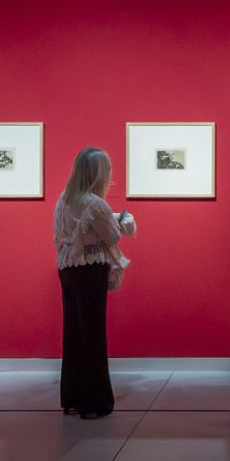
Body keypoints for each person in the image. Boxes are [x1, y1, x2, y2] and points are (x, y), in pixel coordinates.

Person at [54, 147, 137, 420]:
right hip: (91, 270)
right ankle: (94, 401)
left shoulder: (64, 199)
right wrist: (124, 222)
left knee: (74, 332)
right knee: (93, 334)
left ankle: (73, 397)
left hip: (67, 267)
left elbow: (65, 232)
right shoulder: (97, 203)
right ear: (99, 174)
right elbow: (112, 236)